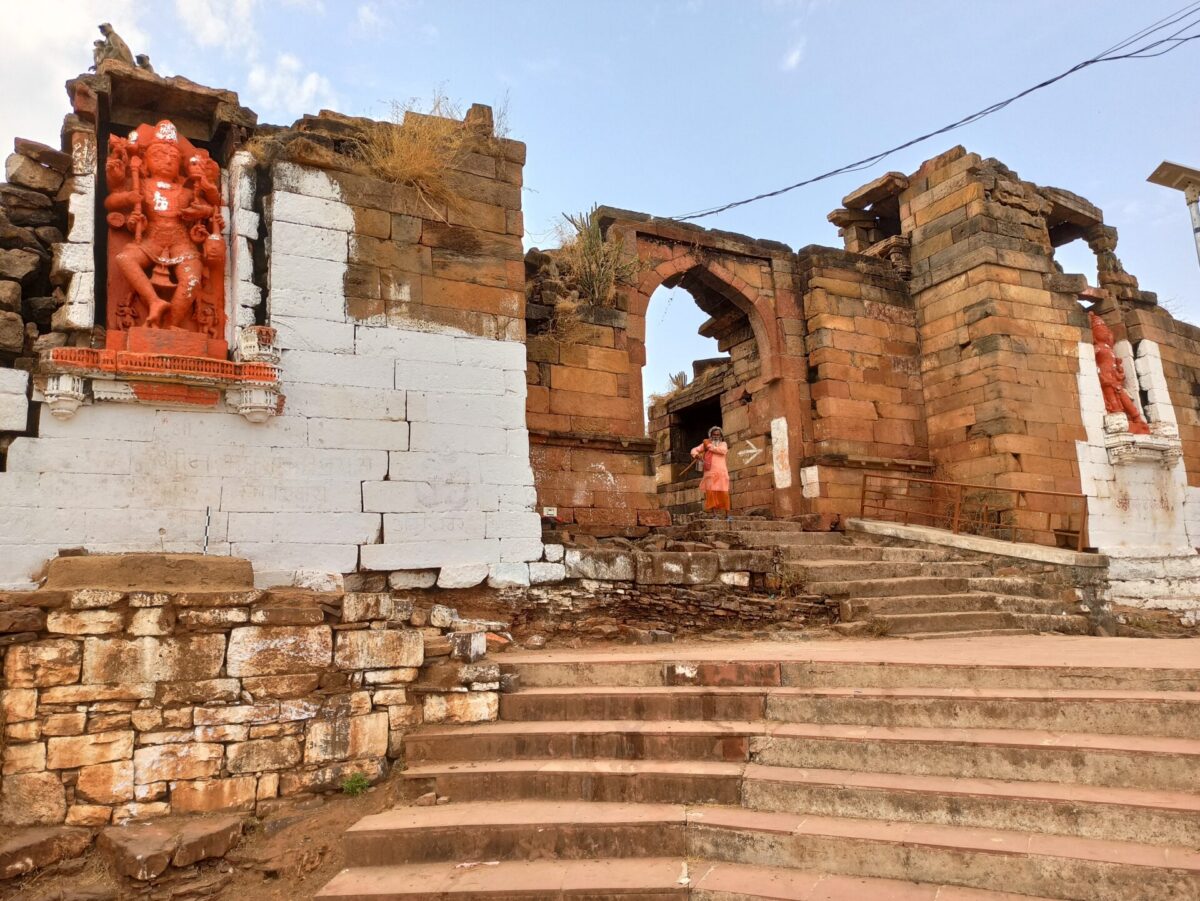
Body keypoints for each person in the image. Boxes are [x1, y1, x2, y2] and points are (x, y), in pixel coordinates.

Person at [691, 426, 731, 520]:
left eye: (718, 435)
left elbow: (722, 451)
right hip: (709, 473)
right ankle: (714, 515)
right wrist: (696, 455)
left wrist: (709, 446)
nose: (716, 436)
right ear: (711, 435)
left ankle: (727, 515)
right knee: (711, 494)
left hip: (722, 473)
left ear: (721, 436)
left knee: (724, 493)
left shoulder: (723, 444)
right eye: (714, 434)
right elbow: (693, 450)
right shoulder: (705, 444)